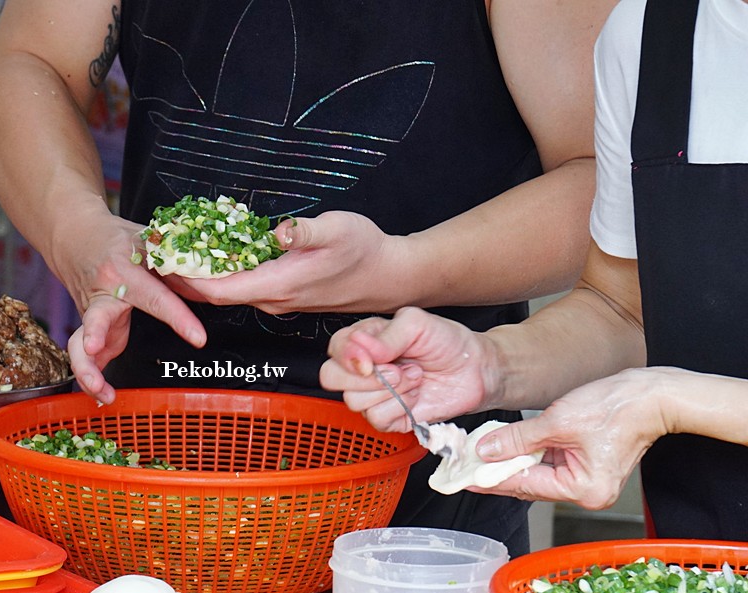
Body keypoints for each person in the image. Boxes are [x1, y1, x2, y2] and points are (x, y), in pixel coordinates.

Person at [0, 0, 617, 556]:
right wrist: (79, 233)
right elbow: (33, 61)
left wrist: (400, 268)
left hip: (422, 455)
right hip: (150, 437)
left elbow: (605, 182)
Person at [320, 0, 748, 540]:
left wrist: (670, 402)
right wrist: (493, 363)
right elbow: (625, 311)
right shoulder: (651, 30)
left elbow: (659, 384)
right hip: (702, 572)